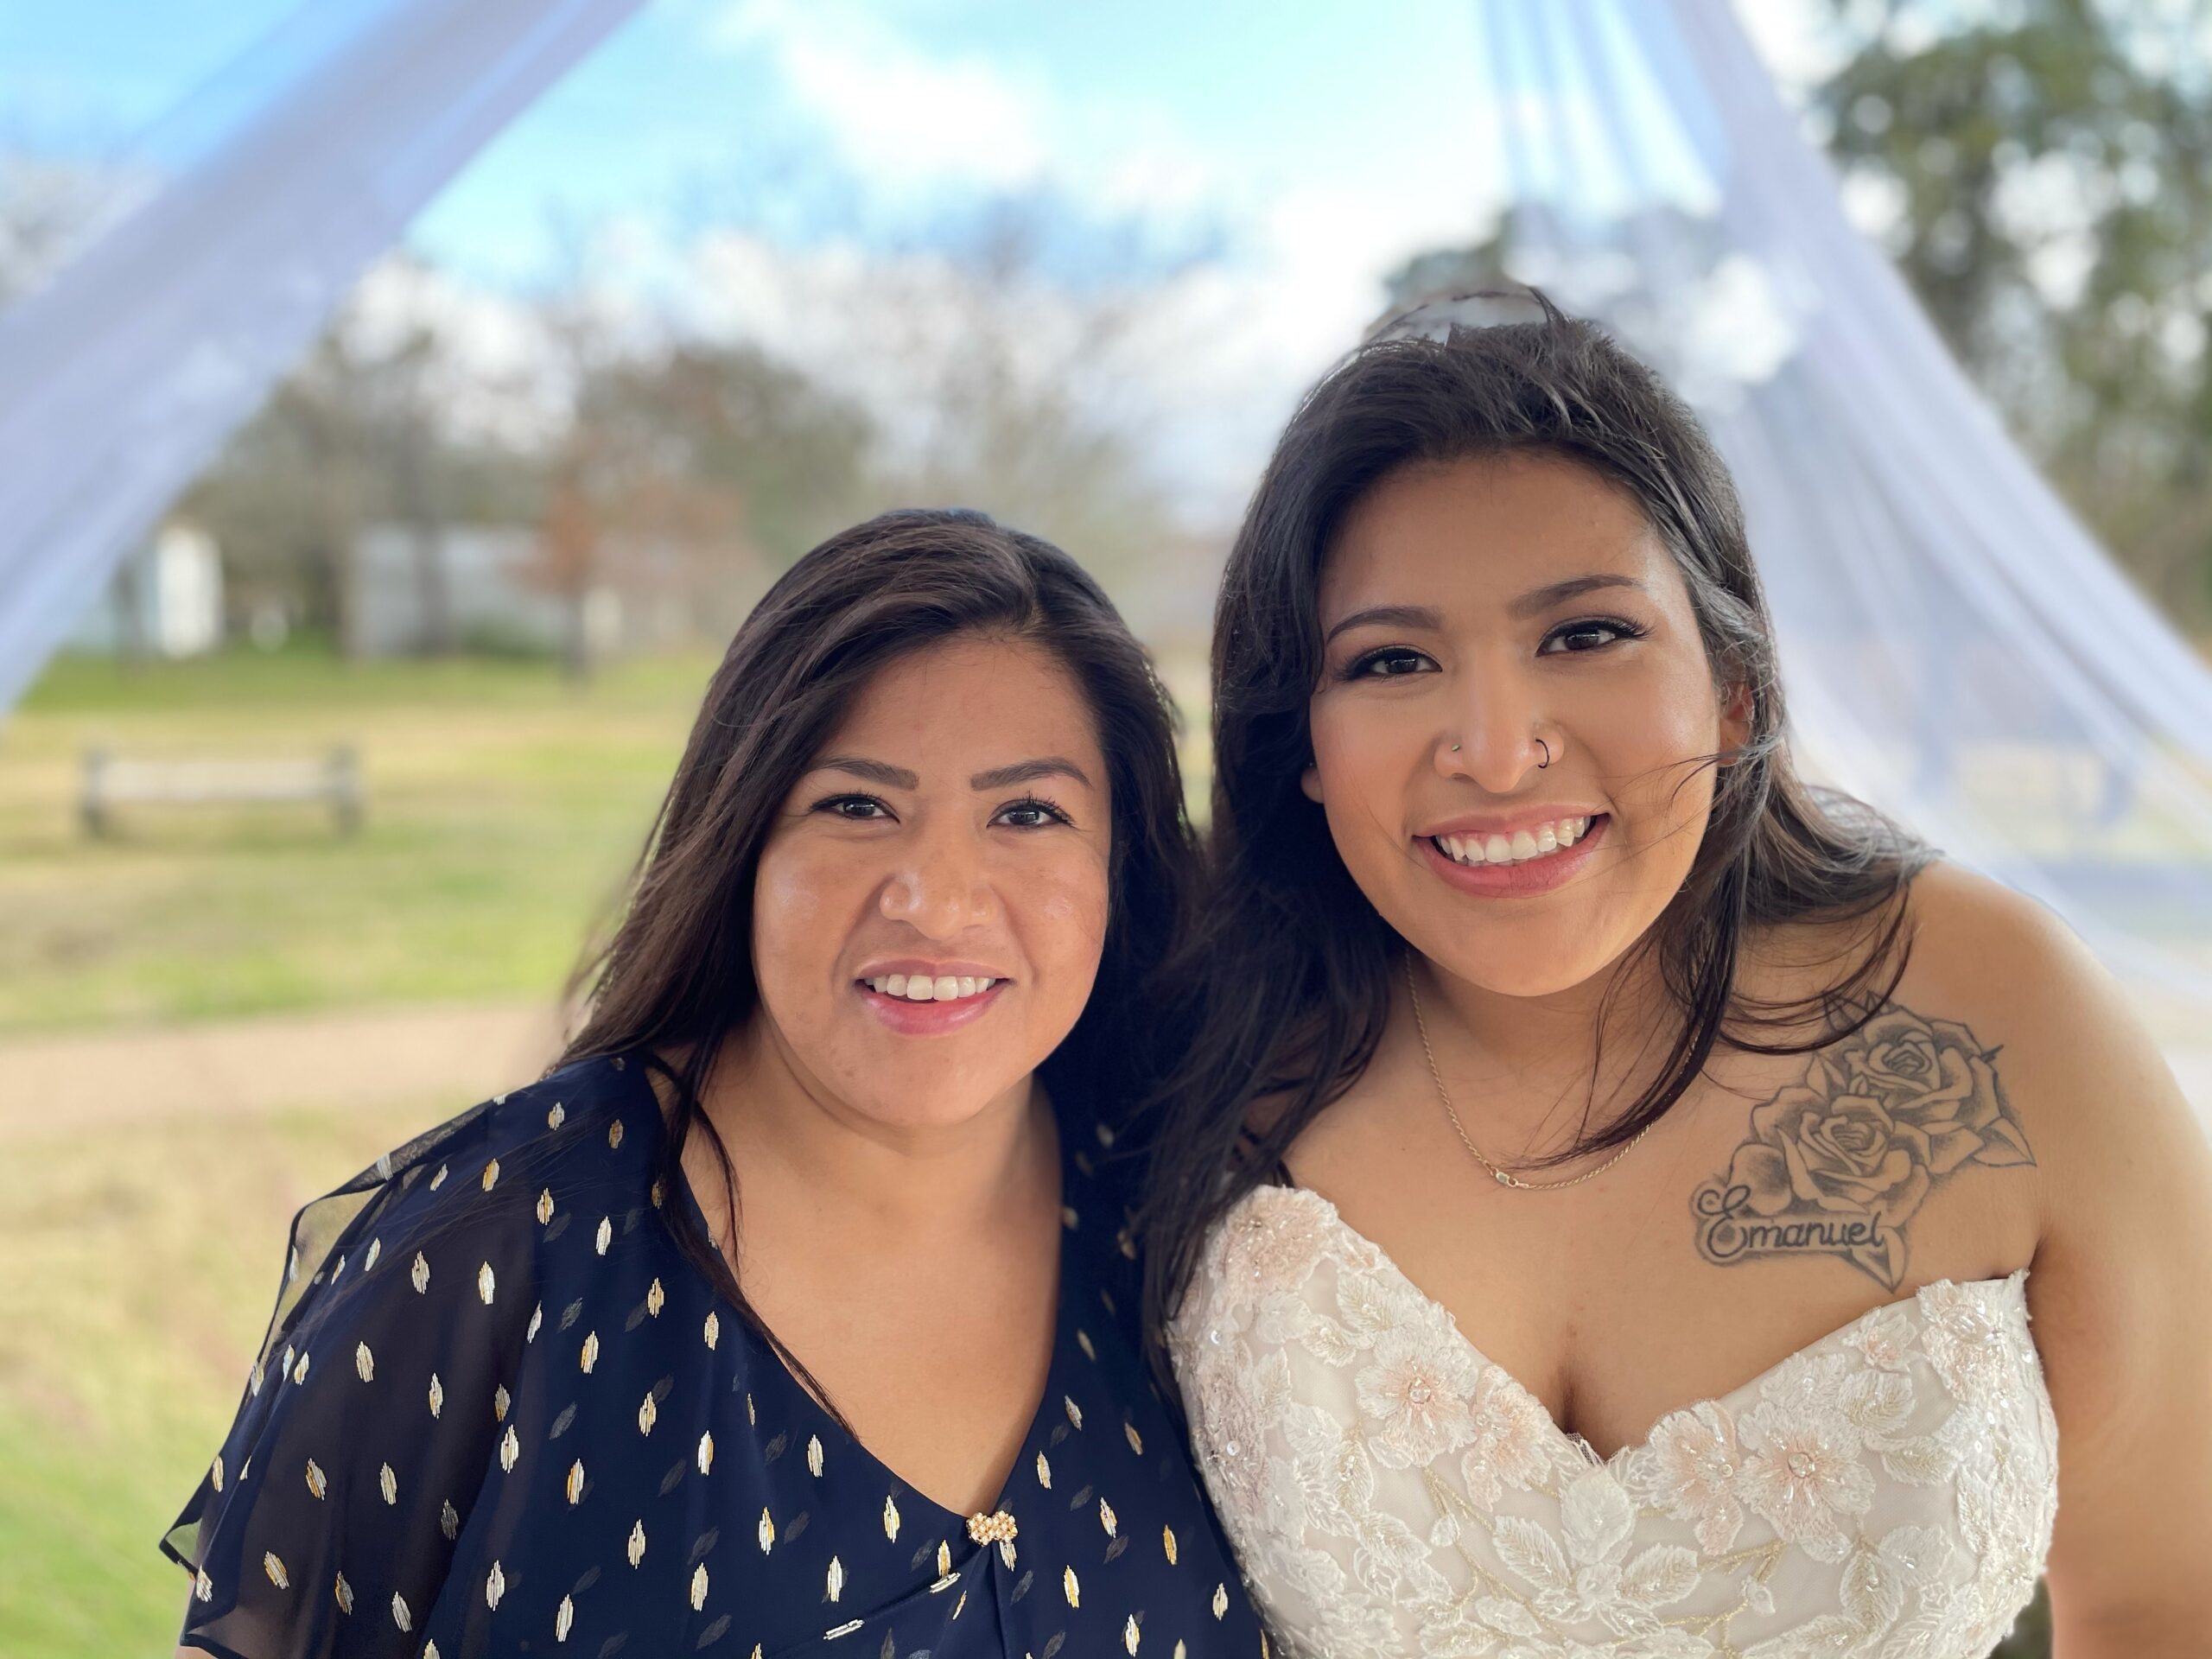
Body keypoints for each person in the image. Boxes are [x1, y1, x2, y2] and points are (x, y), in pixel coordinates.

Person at [1143, 299, 2212, 1656]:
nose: (1495, 746)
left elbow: (2174, 1603)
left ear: (1735, 691)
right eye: (1394, 661)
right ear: (1302, 744)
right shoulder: (1201, 1062)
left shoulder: (1996, 1013)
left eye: (1585, 635)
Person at [163, 509, 1266, 1657]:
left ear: (1121, 862)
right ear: (744, 841)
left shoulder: (1183, 1223)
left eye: (1027, 814)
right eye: (856, 806)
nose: (938, 902)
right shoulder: (491, 1248)